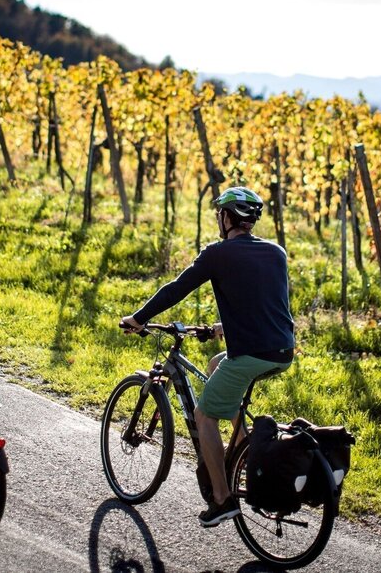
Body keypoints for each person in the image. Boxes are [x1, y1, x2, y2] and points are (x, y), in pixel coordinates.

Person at [121, 186, 296, 527]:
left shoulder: (218, 254)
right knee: (217, 364)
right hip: (282, 351)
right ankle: (243, 453)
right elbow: (267, 306)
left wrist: (139, 317)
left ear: (227, 217)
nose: (219, 218)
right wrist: (221, 327)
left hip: (252, 353)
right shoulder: (276, 253)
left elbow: (176, 288)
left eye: (220, 213)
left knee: (204, 415)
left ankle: (222, 498)